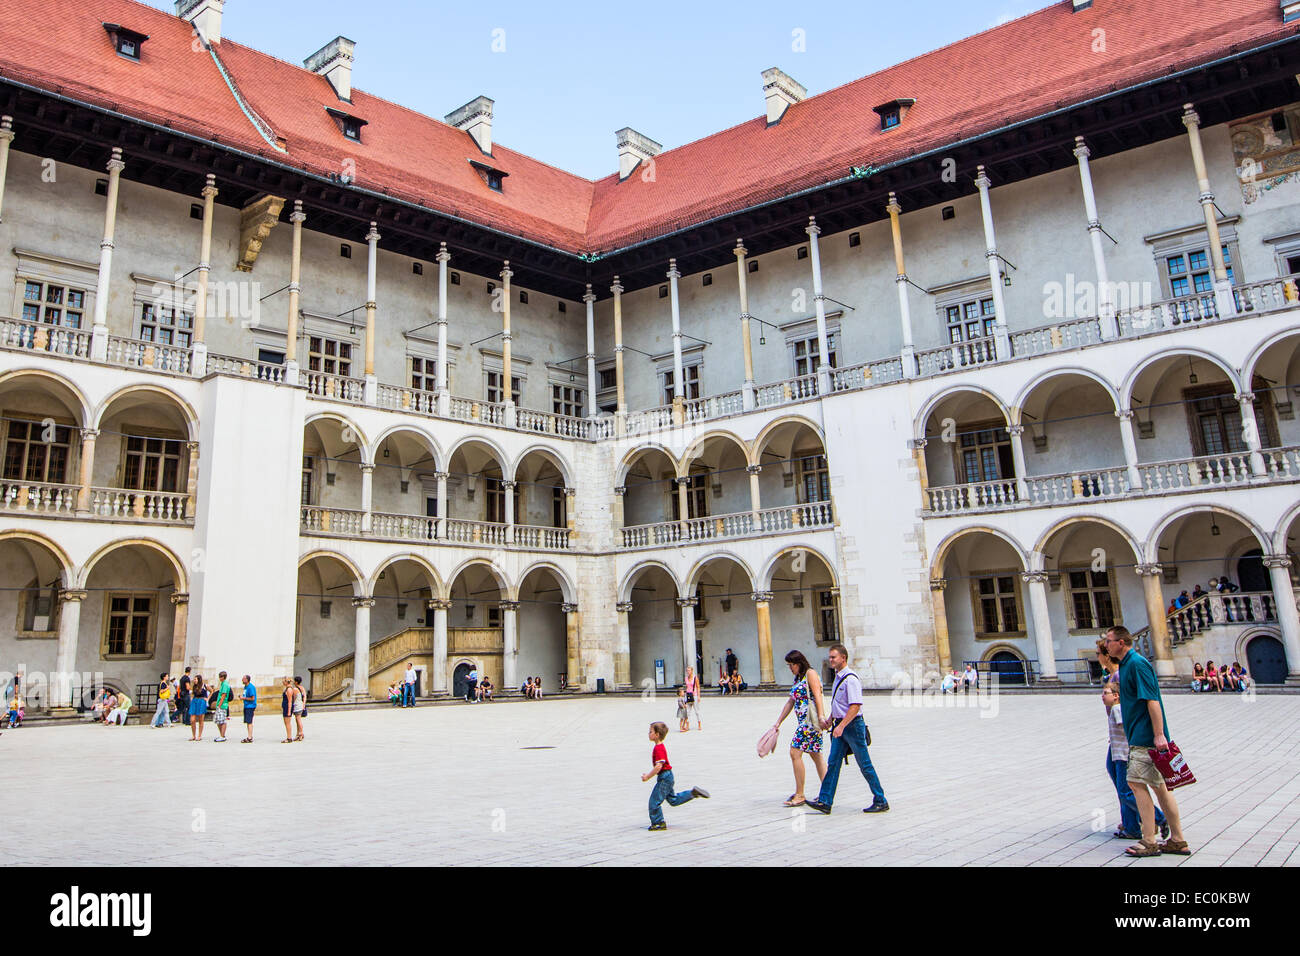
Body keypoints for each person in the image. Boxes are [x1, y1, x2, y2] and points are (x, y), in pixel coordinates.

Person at [1104, 625, 1190, 858]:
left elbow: (1152, 700)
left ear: (1121, 642)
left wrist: (1159, 734)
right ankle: (1178, 839)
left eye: (1109, 640)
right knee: (1160, 788)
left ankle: (1149, 840)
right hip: (1141, 736)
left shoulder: (1137, 663)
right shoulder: (1126, 664)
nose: (1106, 644)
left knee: (1136, 785)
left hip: (1145, 738)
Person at [805, 644, 889, 815]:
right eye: (829, 657)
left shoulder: (851, 679)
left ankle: (880, 799)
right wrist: (830, 720)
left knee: (864, 764)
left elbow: (855, 706)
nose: (830, 660)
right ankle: (825, 801)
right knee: (833, 763)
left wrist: (841, 726)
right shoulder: (838, 677)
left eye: (833, 657)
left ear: (843, 658)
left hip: (851, 726)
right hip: (839, 725)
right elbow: (839, 704)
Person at [1096, 640, 1168, 842]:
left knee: (1127, 787)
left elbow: (1133, 709)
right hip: (1116, 742)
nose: (1098, 656)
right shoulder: (1111, 675)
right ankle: (1130, 824)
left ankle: (1153, 819)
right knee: (1120, 783)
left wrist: (1154, 734)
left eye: (1099, 653)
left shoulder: (1122, 674)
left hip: (1126, 744)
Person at [768, 650, 827, 807]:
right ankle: (827, 792)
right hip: (803, 721)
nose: (790, 668)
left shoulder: (810, 674)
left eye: (791, 665)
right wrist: (778, 722)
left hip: (809, 723)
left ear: (799, 663)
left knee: (795, 752)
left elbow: (818, 695)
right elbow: (790, 701)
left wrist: (821, 717)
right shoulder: (798, 678)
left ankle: (800, 794)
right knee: (816, 756)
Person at [641, 721, 709, 830]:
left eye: (650, 732)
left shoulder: (658, 748)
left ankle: (658, 823)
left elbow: (658, 766)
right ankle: (692, 793)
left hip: (664, 778)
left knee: (654, 801)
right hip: (668, 776)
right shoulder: (660, 747)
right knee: (673, 800)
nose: (648, 734)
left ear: (657, 735)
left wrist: (647, 777)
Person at [211, 671, 233, 742]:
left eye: (220, 677)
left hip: (222, 705)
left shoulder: (225, 685)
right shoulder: (223, 684)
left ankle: (222, 736)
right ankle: (221, 735)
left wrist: (219, 705)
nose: (219, 678)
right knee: (218, 720)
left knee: (222, 721)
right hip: (220, 705)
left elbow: (223, 695)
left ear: (223, 677)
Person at [683, 666, 702, 731]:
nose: (688, 672)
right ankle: (687, 725)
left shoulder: (695, 678)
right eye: (687, 670)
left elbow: (698, 687)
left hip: (694, 695)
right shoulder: (686, 678)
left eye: (689, 670)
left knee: (697, 711)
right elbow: (686, 687)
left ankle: (699, 724)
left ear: (692, 671)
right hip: (688, 695)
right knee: (688, 711)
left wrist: (699, 696)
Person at [240, 676, 257, 743]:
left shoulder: (250, 687)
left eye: (243, 679)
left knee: (249, 721)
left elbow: (252, 698)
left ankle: (250, 737)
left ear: (247, 680)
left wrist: (244, 698)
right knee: (248, 721)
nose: (242, 680)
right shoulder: (245, 687)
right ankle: (249, 736)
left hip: (250, 706)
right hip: (246, 706)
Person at [281, 678, 296, 743]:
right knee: (286, 723)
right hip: (285, 707)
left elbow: (290, 701)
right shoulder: (287, 689)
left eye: (283, 681)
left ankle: (289, 737)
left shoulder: (289, 689)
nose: (282, 682)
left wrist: (289, 711)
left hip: (287, 707)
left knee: (287, 723)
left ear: (286, 682)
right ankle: (288, 737)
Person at [292, 676, 307, 741]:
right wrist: (303, 704)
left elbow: (294, 698)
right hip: (301, 704)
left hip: (297, 705)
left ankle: (301, 734)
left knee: (298, 720)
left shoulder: (295, 689)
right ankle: (298, 734)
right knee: (298, 720)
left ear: (296, 682)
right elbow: (304, 697)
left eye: (294, 681)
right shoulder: (302, 688)